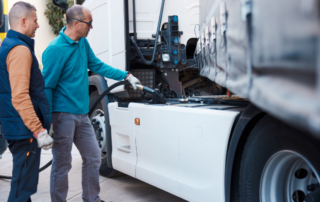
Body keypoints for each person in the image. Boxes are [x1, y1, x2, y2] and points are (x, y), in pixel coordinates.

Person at [42, 5, 140, 202]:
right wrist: (48, 122)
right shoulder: (54, 50)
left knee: (94, 156)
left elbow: (97, 65)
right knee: (62, 163)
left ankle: (91, 198)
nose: (92, 27)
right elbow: (47, 87)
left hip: (82, 114)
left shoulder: (82, 43)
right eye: (89, 23)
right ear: (76, 23)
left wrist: (126, 76)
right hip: (62, 116)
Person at [0, 2, 53, 202]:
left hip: (19, 128)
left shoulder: (9, 45)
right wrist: (38, 130)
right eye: (35, 20)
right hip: (25, 132)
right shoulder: (20, 50)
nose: (38, 25)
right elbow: (20, 95)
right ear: (23, 21)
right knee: (22, 189)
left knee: (23, 186)